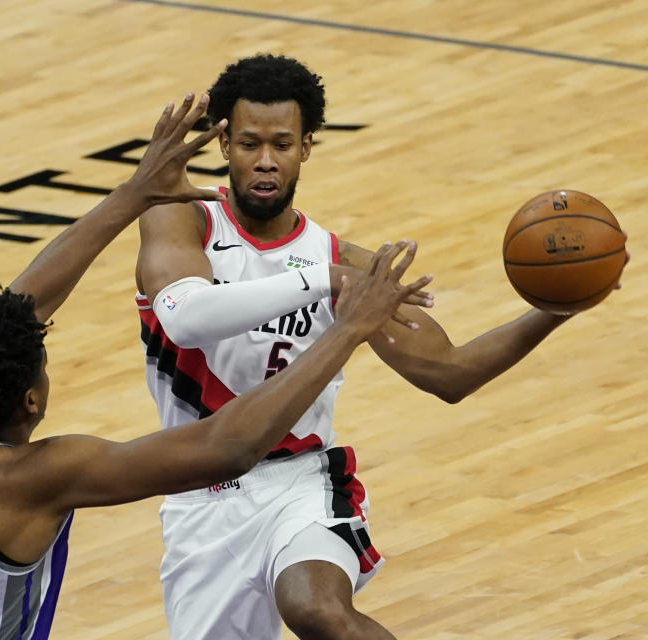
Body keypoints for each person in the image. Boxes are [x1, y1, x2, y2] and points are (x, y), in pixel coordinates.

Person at [0, 93, 432, 639]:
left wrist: (133, 196)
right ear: (32, 400)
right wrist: (347, 329)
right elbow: (229, 448)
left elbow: (14, 311)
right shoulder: (37, 476)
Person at [134, 54, 621, 640]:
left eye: (282, 145)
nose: (265, 162)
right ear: (224, 146)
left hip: (300, 484)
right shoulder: (184, 221)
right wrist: (321, 279)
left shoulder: (352, 265)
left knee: (318, 610)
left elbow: (450, 373)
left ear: (306, 148)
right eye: (249, 144)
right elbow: (185, 319)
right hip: (199, 497)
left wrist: (555, 308)